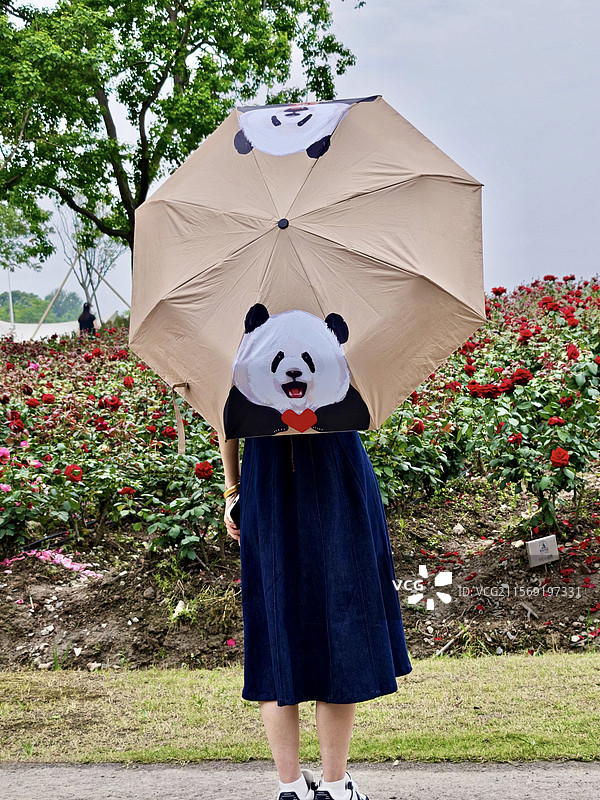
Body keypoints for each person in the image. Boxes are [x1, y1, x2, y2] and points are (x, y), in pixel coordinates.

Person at [220, 430, 413, 800]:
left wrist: (233, 491)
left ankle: (291, 788)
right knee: (341, 618)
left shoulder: (239, 369)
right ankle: (335, 788)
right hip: (335, 466)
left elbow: (225, 416)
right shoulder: (341, 366)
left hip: (265, 473)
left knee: (275, 625)